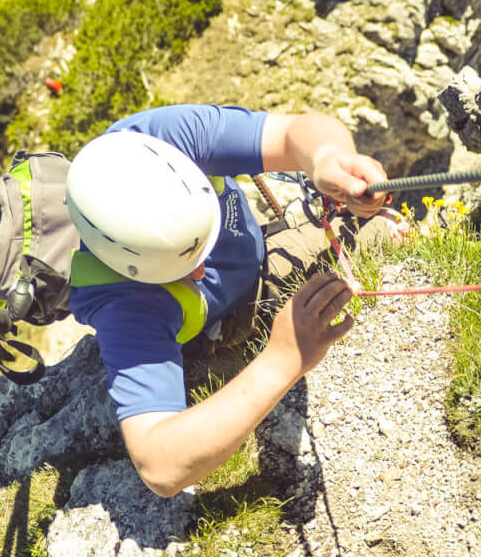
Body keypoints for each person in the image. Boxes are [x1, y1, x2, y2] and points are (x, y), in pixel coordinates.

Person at [65, 104, 402, 498]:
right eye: (177, 269)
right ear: (132, 270)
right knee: (387, 235)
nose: (199, 273)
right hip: (236, 309)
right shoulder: (123, 305)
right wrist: (283, 359)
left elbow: (296, 131)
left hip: (253, 260)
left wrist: (329, 160)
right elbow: (159, 465)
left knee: (390, 226)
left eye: (201, 248)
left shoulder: (161, 141)